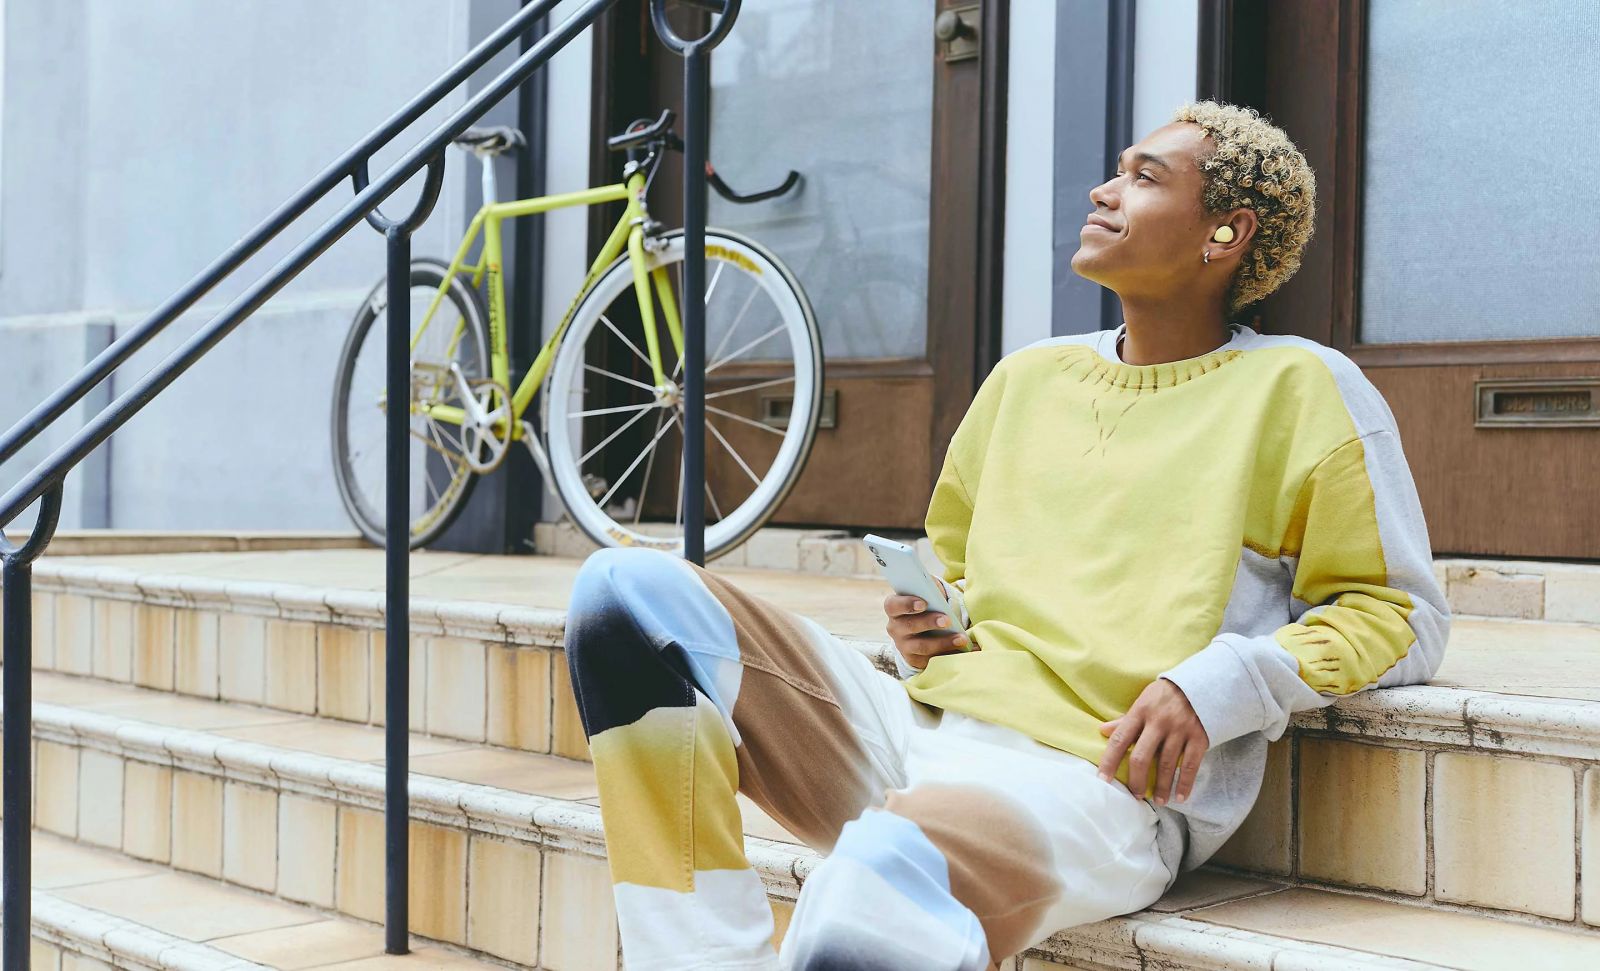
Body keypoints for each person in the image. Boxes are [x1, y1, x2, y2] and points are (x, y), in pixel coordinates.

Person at [563, 100, 1451, 971]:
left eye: (1146, 178)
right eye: (1116, 171)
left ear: (1227, 231)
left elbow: (1399, 614)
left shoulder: (1303, 388)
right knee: (624, 595)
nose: (1105, 190)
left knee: (877, 878)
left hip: (1096, 783)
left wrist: (1221, 681)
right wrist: (930, 625)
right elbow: (955, 568)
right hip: (922, 732)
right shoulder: (1027, 378)